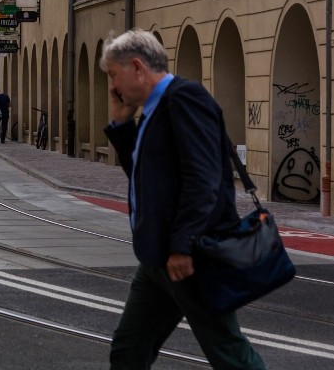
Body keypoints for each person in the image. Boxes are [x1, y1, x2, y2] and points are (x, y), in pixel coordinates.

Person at [100, 29, 265, 369]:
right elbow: (147, 180)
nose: (113, 87)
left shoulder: (185, 100)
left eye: (114, 76)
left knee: (229, 354)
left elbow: (203, 180)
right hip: (157, 258)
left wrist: (183, 245)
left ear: (137, 67)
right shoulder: (154, 109)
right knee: (128, 351)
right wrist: (120, 125)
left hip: (191, 257)